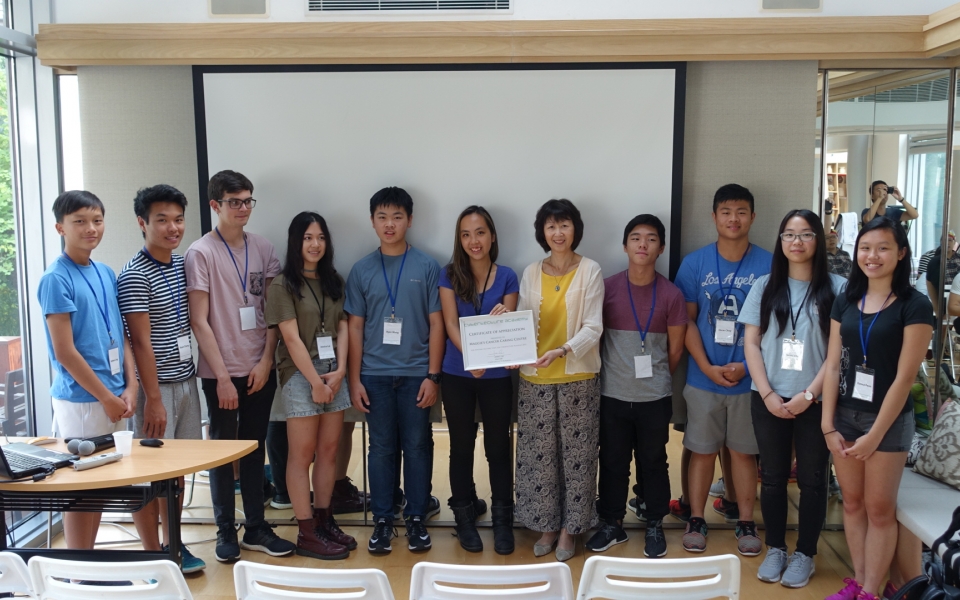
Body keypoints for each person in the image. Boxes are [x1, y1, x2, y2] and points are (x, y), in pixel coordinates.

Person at [821, 217, 934, 600]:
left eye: (883, 248)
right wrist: (827, 426)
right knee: (852, 504)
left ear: (901, 253)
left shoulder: (915, 306)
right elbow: (834, 364)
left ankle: (871, 592)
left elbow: (905, 379)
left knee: (879, 510)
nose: (872, 256)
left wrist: (875, 435)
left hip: (886, 423)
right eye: (865, 248)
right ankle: (859, 581)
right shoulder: (847, 298)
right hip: (844, 417)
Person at [185, 170, 295, 562]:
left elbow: (272, 312)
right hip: (221, 373)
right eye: (235, 202)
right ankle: (224, 531)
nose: (243, 208)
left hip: (258, 368)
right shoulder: (201, 252)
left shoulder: (263, 247)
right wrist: (222, 379)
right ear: (215, 205)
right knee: (221, 452)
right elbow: (200, 320)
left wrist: (266, 361)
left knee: (253, 448)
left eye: (248, 200)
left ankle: (256, 527)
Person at [740, 209, 845, 588]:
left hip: (816, 400)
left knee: (815, 480)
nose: (796, 242)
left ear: (819, 239)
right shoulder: (765, 286)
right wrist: (767, 392)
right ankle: (777, 548)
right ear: (780, 241)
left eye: (804, 234)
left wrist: (809, 394)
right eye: (788, 234)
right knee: (771, 478)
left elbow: (837, 352)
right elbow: (751, 343)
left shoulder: (839, 287)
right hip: (767, 396)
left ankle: (805, 553)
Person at [673, 183, 772, 556]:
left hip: (750, 380)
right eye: (726, 212)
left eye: (742, 212)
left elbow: (773, 327)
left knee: (744, 453)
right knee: (701, 450)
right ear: (714, 217)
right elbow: (686, 322)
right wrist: (706, 366)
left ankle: (746, 521)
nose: (734, 219)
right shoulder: (695, 263)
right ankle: (696, 518)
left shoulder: (768, 264)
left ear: (753, 217)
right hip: (703, 378)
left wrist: (746, 366)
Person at [345, 186, 443, 555]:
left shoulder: (427, 266)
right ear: (372, 221)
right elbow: (354, 327)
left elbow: (437, 324)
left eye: (397, 217)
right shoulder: (362, 269)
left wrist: (433, 376)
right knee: (382, 448)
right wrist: (354, 379)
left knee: (418, 446)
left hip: (418, 374)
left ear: (410, 220)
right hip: (374, 376)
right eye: (382, 217)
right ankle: (383, 519)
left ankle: (416, 517)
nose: (390, 224)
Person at [37, 190, 138, 550]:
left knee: (105, 479)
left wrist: (131, 386)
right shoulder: (55, 278)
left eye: (96, 220)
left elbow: (121, 335)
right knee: (83, 487)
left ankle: (87, 568)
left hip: (114, 393)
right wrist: (107, 397)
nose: (90, 228)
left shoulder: (105, 271)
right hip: (82, 400)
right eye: (79, 221)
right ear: (60, 227)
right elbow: (64, 352)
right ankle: (80, 573)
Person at [586, 214, 687, 559]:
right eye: (636, 238)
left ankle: (654, 521)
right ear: (625, 245)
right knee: (612, 460)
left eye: (651, 239)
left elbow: (674, 350)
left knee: (654, 461)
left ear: (660, 248)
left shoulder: (672, 294)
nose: (643, 244)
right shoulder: (608, 288)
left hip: (654, 398)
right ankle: (612, 522)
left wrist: (654, 379)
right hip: (612, 395)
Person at [117, 184, 205, 573]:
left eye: (178, 219)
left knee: (177, 472)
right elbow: (140, 342)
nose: (173, 227)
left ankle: (174, 545)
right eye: (162, 220)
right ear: (142, 223)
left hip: (186, 382)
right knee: (149, 475)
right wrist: (152, 399)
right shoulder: (135, 275)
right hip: (158, 390)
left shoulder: (181, 263)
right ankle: (152, 553)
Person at [514, 198, 603, 563]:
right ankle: (547, 524)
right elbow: (521, 321)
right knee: (540, 458)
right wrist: (505, 320)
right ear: (543, 233)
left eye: (564, 225)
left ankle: (571, 529)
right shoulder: (531, 271)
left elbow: (594, 326)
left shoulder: (591, 270)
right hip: (534, 378)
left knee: (577, 457)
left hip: (577, 376)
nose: (558, 232)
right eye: (551, 226)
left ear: (574, 229)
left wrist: (563, 350)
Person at [265, 211, 356, 560]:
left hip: (334, 372)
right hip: (300, 374)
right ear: (295, 242)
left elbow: (344, 328)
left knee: (329, 453)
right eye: (307, 238)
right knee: (301, 455)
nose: (315, 244)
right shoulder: (281, 285)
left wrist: (341, 370)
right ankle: (306, 531)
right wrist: (315, 381)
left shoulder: (334, 280)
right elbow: (290, 338)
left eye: (320, 237)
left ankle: (324, 519)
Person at [438, 205, 519, 555]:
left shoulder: (508, 277)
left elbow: (511, 323)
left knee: (498, 448)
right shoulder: (448, 275)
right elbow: (449, 323)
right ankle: (464, 518)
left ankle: (502, 520)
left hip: (498, 376)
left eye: (480, 232)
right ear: (460, 239)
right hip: (457, 372)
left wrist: (505, 316)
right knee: (460, 445)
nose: (474, 241)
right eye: (466, 234)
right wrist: (470, 357)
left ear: (492, 236)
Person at [924, 230, 960, 314]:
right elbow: (930, 283)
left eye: (950, 240)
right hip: (941, 296)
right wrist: (937, 309)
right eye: (944, 240)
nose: (947, 243)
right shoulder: (934, 262)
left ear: (954, 242)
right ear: (941, 242)